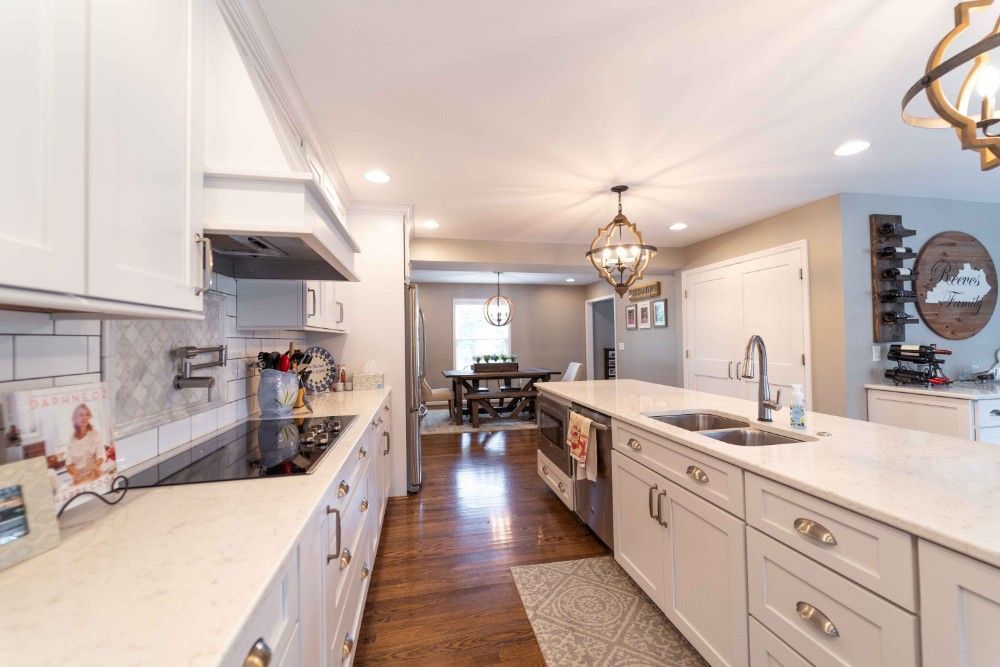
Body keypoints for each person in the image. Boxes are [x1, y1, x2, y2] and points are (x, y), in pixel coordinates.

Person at [64, 404, 106, 484]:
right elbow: (68, 463)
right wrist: (75, 474)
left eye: (87, 414)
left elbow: (100, 455)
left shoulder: (94, 434)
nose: (84, 417)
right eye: (81, 415)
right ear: (75, 418)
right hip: (79, 480)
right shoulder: (71, 439)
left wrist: (95, 467)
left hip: (95, 476)